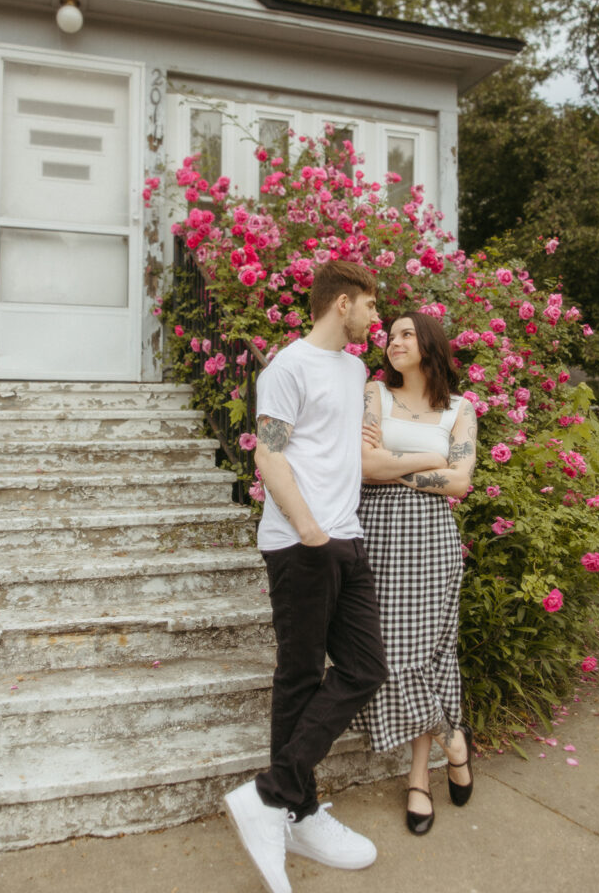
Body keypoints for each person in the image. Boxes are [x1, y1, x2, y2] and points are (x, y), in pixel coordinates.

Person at [224, 260, 389, 893]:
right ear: (342, 303)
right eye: (370, 307)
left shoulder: (353, 371)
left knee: (364, 666)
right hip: (301, 541)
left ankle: (274, 794)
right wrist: (310, 529)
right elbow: (270, 452)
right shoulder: (287, 367)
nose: (375, 319)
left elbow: (341, 447)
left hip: (347, 536)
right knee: (298, 674)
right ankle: (297, 808)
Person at [354, 311, 476, 836]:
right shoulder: (374, 395)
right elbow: (363, 468)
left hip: (432, 544)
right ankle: (454, 739)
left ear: (428, 344)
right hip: (376, 536)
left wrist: (395, 462)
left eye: (405, 333)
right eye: (389, 334)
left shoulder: (460, 408)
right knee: (385, 652)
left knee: (429, 651)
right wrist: (430, 456)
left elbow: (460, 484)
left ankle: (419, 779)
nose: (392, 341)